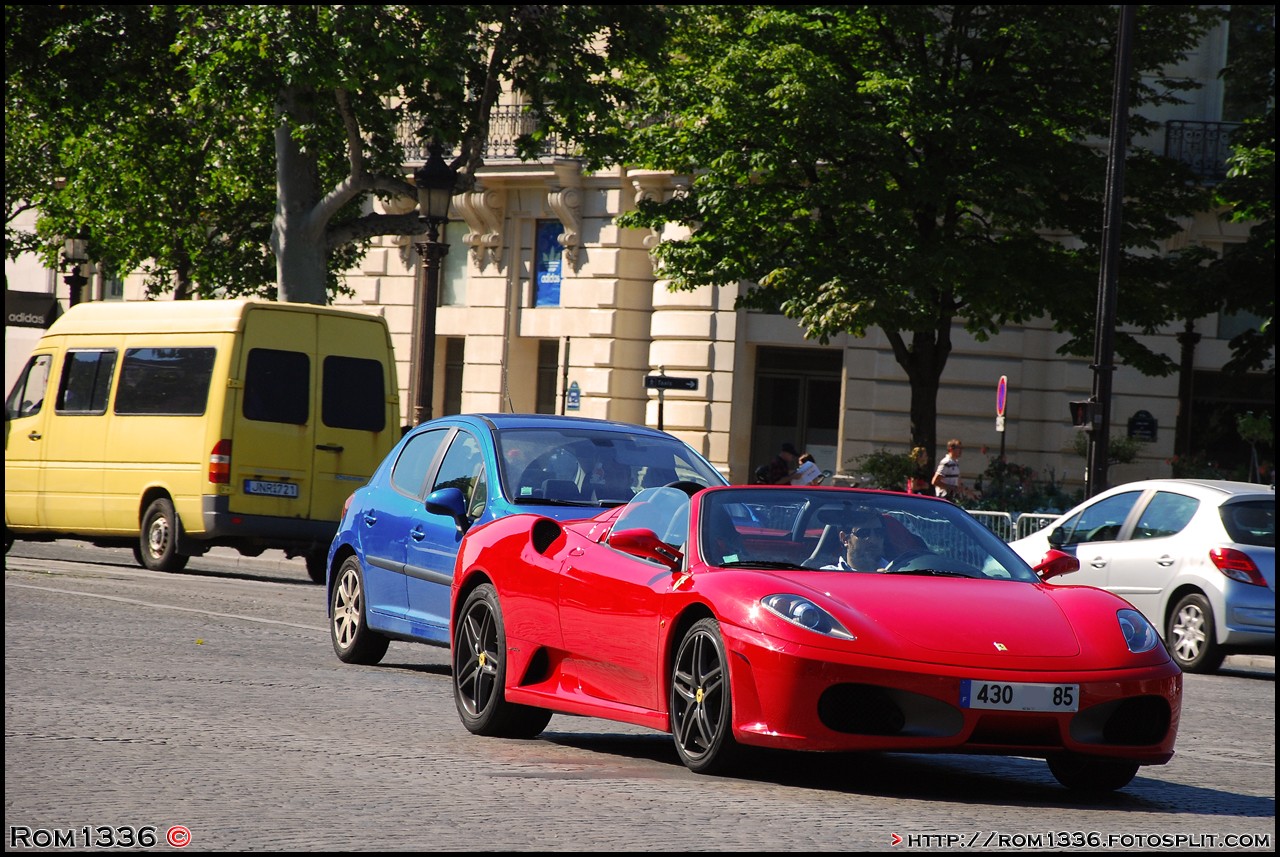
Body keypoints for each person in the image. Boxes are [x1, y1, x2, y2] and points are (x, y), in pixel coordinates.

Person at [822, 511, 891, 572]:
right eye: (863, 533)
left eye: (879, 532)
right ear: (844, 539)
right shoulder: (826, 577)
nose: (873, 540)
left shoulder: (896, 572)